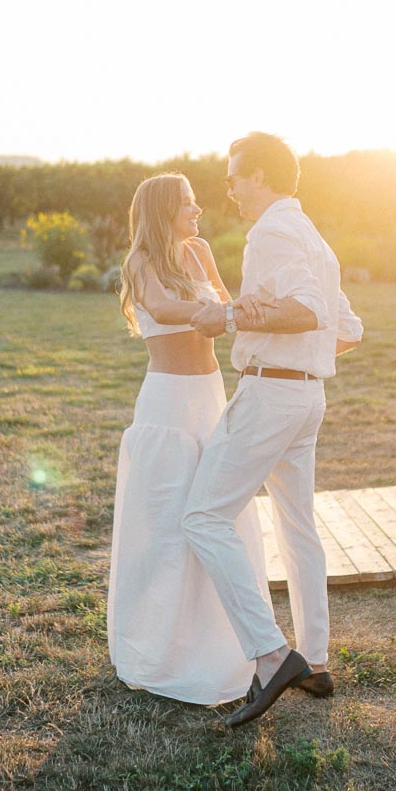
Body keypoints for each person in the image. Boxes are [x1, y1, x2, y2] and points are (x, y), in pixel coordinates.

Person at [182, 132, 364, 727]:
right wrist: (304, 359)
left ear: (259, 175)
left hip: (272, 393)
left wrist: (232, 317)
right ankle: (314, 657)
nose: (230, 189)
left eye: (235, 176)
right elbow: (348, 327)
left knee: (203, 515)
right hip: (306, 396)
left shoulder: (273, 232)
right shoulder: (315, 237)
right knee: (297, 525)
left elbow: (310, 310)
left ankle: (271, 655)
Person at [106, 171, 271, 705]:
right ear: (162, 210)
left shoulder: (198, 252)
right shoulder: (141, 262)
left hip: (209, 403)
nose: (198, 211)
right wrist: (223, 313)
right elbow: (165, 308)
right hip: (168, 407)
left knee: (213, 520)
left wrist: (254, 309)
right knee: (166, 528)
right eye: (188, 204)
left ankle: (219, 646)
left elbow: (228, 304)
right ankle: (159, 651)